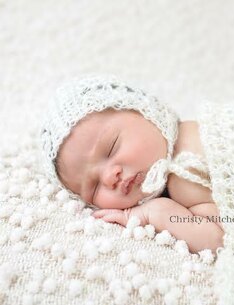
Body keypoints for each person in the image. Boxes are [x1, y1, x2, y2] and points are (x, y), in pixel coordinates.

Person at [40, 74, 224, 254]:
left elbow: (220, 240)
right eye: (94, 188)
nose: (110, 177)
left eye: (111, 147)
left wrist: (155, 214)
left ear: (146, 111)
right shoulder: (181, 188)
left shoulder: (185, 170)